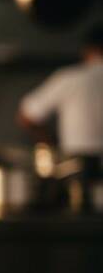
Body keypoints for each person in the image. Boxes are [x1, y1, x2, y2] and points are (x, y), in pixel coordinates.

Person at [18, 21, 103, 179]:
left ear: (88, 50)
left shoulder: (70, 79)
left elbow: (27, 116)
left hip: (78, 167)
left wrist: (51, 143)